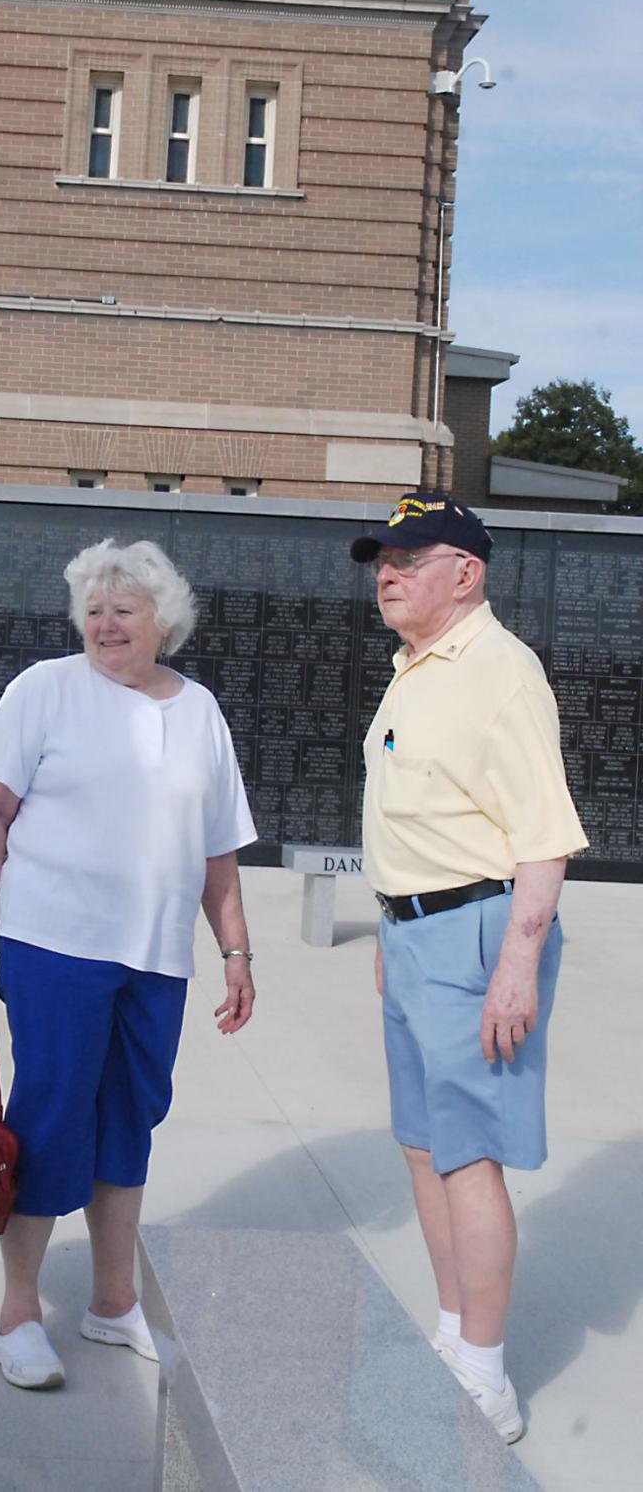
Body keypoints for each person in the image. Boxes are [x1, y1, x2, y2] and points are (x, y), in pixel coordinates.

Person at [0, 538, 258, 1389]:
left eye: (123, 609)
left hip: (156, 957)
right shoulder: (42, 692)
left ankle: (112, 1301)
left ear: (166, 623)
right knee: (51, 1123)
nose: (104, 623)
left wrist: (235, 950)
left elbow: (218, 855)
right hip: (54, 947)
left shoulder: (199, 711)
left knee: (130, 1124)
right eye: (93, 608)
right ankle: (17, 1315)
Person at [351, 491, 588, 1442]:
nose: (389, 573)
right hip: (412, 931)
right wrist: (387, 926)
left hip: (480, 934)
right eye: (383, 560)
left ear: (467, 573)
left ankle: (485, 1373)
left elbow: (543, 841)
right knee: (421, 1142)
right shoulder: (416, 666)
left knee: (469, 1153)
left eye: (410, 558)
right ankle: (452, 1334)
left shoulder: (499, 670)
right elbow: (420, 813)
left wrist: (517, 969)